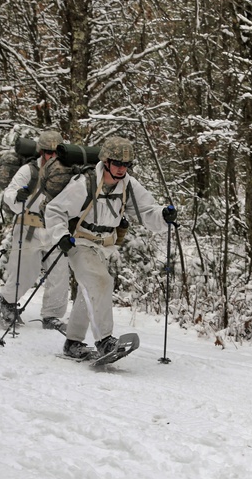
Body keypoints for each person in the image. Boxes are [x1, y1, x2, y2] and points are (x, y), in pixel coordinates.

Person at [45, 135, 177, 358]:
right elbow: (55, 210)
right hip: (80, 242)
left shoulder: (128, 185)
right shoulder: (84, 183)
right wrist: (61, 236)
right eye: (117, 163)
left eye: (126, 164)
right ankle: (105, 340)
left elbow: (146, 211)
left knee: (89, 290)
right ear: (106, 162)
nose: (121, 169)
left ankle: (73, 342)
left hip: (104, 246)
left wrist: (163, 216)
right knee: (102, 282)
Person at [0, 130, 70, 332]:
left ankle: (52, 316)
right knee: (25, 272)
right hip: (29, 227)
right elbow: (9, 192)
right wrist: (19, 195)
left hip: (56, 228)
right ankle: (6, 303)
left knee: (59, 273)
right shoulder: (29, 170)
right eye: (48, 153)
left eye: (56, 153)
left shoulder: (68, 171)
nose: (52, 157)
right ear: (41, 152)